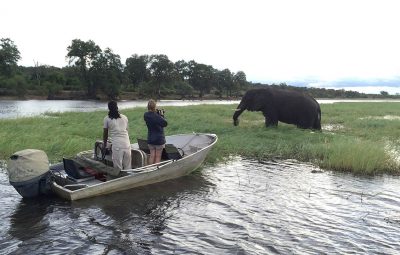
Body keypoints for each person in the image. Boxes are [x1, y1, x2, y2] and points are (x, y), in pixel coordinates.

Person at [103, 100, 131, 170]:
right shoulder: (125, 117)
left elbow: (105, 134)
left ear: (109, 108)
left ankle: (120, 180)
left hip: (117, 146)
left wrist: (105, 145)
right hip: (127, 144)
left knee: (118, 168)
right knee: (128, 167)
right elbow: (127, 131)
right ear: (117, 107)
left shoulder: (107, 119)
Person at [144, 99, 168, 164]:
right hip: (159, 139)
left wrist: (157, 114)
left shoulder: (146, 115)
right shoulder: (157, 116)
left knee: (152, 155)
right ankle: (155, 170)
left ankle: (150, 169)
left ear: (148, 106)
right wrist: (162, 115)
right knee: (158, 156)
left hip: (150, 138)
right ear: (155, 106)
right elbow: (165, 123)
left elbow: (152, 117)